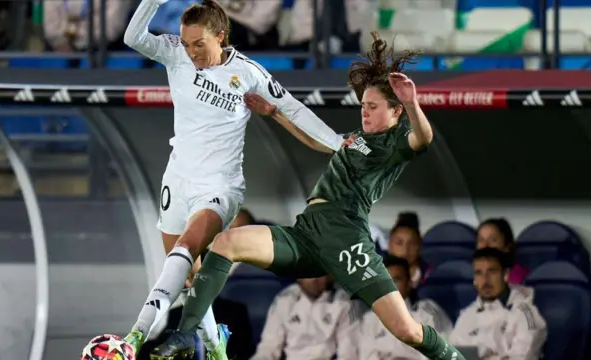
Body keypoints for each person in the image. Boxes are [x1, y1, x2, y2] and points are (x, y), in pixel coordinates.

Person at [157, 33, 467, 360]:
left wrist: (412, 102)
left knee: (407, 331)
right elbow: (320, 142)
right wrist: (274, 113)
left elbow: (424, 138)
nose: (365, 112)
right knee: (225, 243)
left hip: (346, 239)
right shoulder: (355, 139)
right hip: (306, 232)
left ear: (395, 113)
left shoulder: (394, 145)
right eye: (363, 105)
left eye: (373, 107)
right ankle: (184, 333)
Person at [121, 0, 347, 358]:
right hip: (177, 180)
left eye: (200, 44)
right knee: (188, 278)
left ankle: (133, 336)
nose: (192, 52)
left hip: (219, 186)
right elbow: (133, 37)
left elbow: (292, 108)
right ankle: (216, 346)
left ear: (221, 37)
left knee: (183, 252)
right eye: (186, 42)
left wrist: (336, 142)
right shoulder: (176, 54)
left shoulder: (249, 73)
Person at [449, 248, 547, 359]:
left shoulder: (525, 312)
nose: (485, 280)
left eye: (492, 271)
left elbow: (523, 356)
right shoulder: (467, 314)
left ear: (505, 274)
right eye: (479, 273)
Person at [359, 255, 452, 360]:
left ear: (409, 283)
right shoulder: (370, 319)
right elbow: (366, 356)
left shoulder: (428, 313)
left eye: (396, 280)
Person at [252, 275, 359, 360]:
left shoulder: (343, 302)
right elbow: (269, 347)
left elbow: (348, 354)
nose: (314, 279)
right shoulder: (284, 299)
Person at [476, 218, 529, 284]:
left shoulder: (518, 276)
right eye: (481, 240)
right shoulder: (472, 274)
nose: (485, 245)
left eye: (493, 240)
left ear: (507, 247)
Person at [387, 212, 429, 287]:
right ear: (389, 245)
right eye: (399, 243)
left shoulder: (431, 274)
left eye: (412, 243)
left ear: (419, 245)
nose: (405, 249)